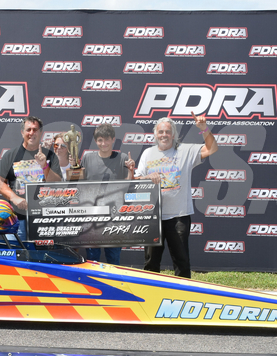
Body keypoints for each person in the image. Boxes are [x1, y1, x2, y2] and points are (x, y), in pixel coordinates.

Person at [133, 113, 218, 278]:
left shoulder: (185, 151)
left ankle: (183, 292)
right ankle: (151, 291)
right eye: (161, 132)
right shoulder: (148, 153)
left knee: (181, 262)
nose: (164, 135)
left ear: (173, 135)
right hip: (153, 216)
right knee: (151, 263)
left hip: (178, 216)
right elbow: (136, 179)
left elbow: (212, 148)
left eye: (167, 132)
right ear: (155, 134)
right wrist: (148, 177)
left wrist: (204, 128)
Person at [0, 116, 62, 241]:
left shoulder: (50, 155)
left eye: (35, 130)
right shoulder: (10, 155)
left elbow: (57, 183)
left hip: (44, 219)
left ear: (41, 132)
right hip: (17, 219)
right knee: (15, 253)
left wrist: (44, 166)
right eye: (28, 130)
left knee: (43, 253)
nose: (32, 133)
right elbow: (0, 183)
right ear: (22, 132)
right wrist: (14, 198)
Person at [80, 124, 135, 265]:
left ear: (113, 139)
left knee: (114, 257)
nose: (103, 143)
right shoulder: (87, 158)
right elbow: (79, 184)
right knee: (92, 258)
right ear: (95, 141)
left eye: (107, 139)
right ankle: (92, 279)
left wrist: (131, 171)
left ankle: (113, 279)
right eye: (100, 140)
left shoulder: (122, 158)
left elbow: (128, 185)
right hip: (92, 215)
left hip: (115, 215)